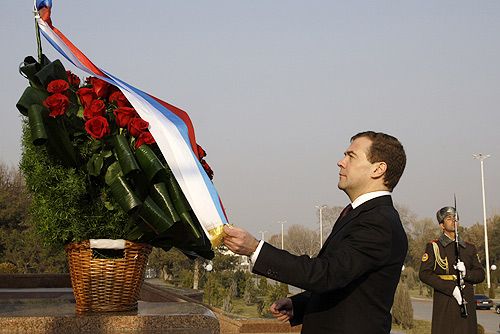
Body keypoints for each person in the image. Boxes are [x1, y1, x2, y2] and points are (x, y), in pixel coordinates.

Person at [223, 131, 408, 334]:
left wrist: (255, 249)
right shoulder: (360, 214)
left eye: (351, 156)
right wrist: (301, 304)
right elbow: (345, 282)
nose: (341, 162)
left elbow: (326, 274)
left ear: (378, 169)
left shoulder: (378, 222)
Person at [419, 206, 485, 334]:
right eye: (449, 218)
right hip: (445, 300)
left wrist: (466, 273)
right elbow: (424, 274)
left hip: (466, 300)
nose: (453, 220)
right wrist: (451, 288)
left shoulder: (469, 248)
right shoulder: (434, 247)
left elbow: (480, 274)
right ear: (442, 225)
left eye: (455, 217)